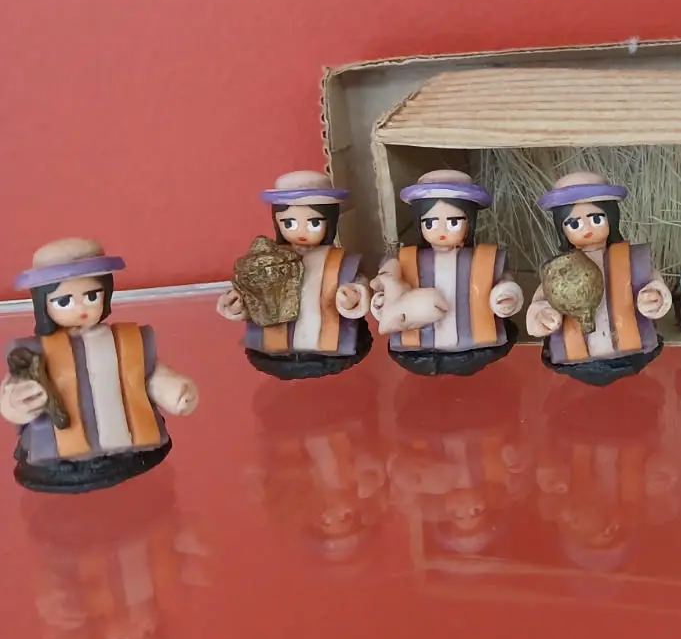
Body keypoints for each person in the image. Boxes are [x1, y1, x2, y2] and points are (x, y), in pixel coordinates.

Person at [2, 239, 198, 492]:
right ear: (43, 304)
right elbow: (12, 395)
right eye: (64, 301)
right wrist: (17, 403)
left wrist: (174, 392)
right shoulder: (32, 353)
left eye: (92, 296)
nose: (82, 308)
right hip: (61, 449)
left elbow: (148, 374)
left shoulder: (128, 340)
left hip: (129, 440)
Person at [217, 170, 372, 379]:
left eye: (314, 223)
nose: (301, 232)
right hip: (276, 340)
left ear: (330, 221)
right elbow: (252, 294)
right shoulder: (267, 260)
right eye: (289, 224)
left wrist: (353, 298)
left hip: (328, 338)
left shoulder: (342, 261)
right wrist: (238, 304)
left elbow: (359, 284)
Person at [370, 170, 524, 377]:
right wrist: (381, 302)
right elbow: (389, 294)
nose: (441, 231)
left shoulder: (485, 259)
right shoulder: (406, 259)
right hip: (419, 344)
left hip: (474, 340)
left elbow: (504, 283)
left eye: (453, 223)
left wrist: (505, 297)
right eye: (430, 223)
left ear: (470, 222)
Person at [525, 171, 671, 386]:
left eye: (596, 219)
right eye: (574, 224)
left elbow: (654, 282)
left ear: (611, 218)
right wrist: (543, 315)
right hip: (576, 352)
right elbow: (541, 299)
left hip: (631, 348)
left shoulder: (632, 260)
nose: (586, 229)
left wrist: (653, 297)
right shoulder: (559, 269)